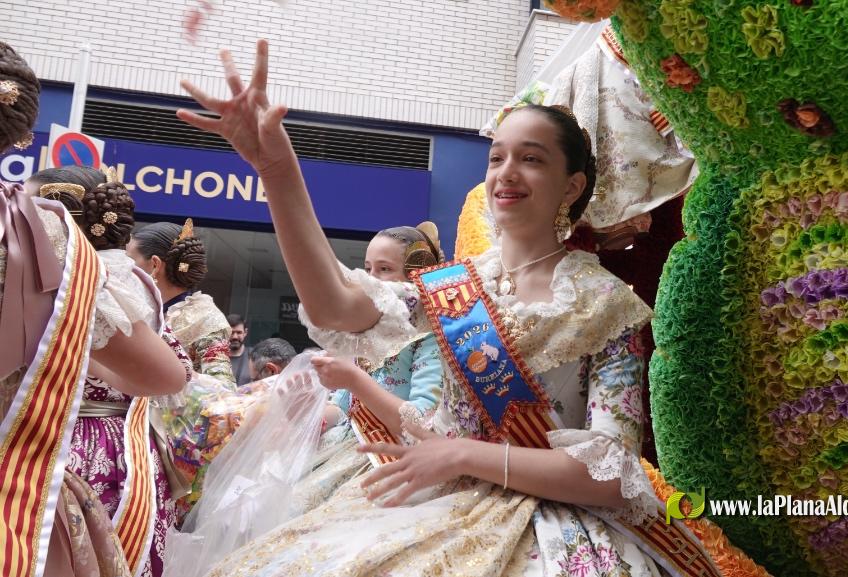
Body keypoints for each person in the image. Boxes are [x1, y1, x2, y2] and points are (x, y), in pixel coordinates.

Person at [173, 40, 721, 576]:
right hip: (431, 498)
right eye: (497, 157)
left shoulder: (608, 305)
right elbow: (335, 307)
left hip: (547, 525)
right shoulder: (451, 286)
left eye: (531, 159)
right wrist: (278, 170)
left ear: (572, 185)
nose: (507, 171)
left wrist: (461, 456)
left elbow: (611, 474)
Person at [0, 41, 187, 577]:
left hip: (77, 442)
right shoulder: (46, 244)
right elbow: (163, 374)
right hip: (41, 453)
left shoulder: (109, 279)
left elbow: (175, 375)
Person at [25, 165, 195, 577]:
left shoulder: (94, 286)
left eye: (27, 212)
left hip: (83, 446)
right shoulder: (120, 281)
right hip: (96, 438)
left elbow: (175, 374)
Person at [290, 223, 444, 515]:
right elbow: (344, 409)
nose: (371, 279)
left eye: (384, 269)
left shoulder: (432, 337)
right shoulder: (364, 335)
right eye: (368, 269)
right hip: (346, 450)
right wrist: (306, 411)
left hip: (392, 460)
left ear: (416, 274)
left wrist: (355, 380)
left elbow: (422, 426)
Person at [128, 220, 235, 386]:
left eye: (130, 262)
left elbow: (222, 388)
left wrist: (175, 372)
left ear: (155, 265)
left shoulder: (205, 319)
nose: (125, 270)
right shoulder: (137, 309)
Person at [226, 313, 252, 386]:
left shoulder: (254, 356)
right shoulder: (215, 357)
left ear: (245, 332)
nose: (235, 337)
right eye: (231, 332)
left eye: (239, 332)